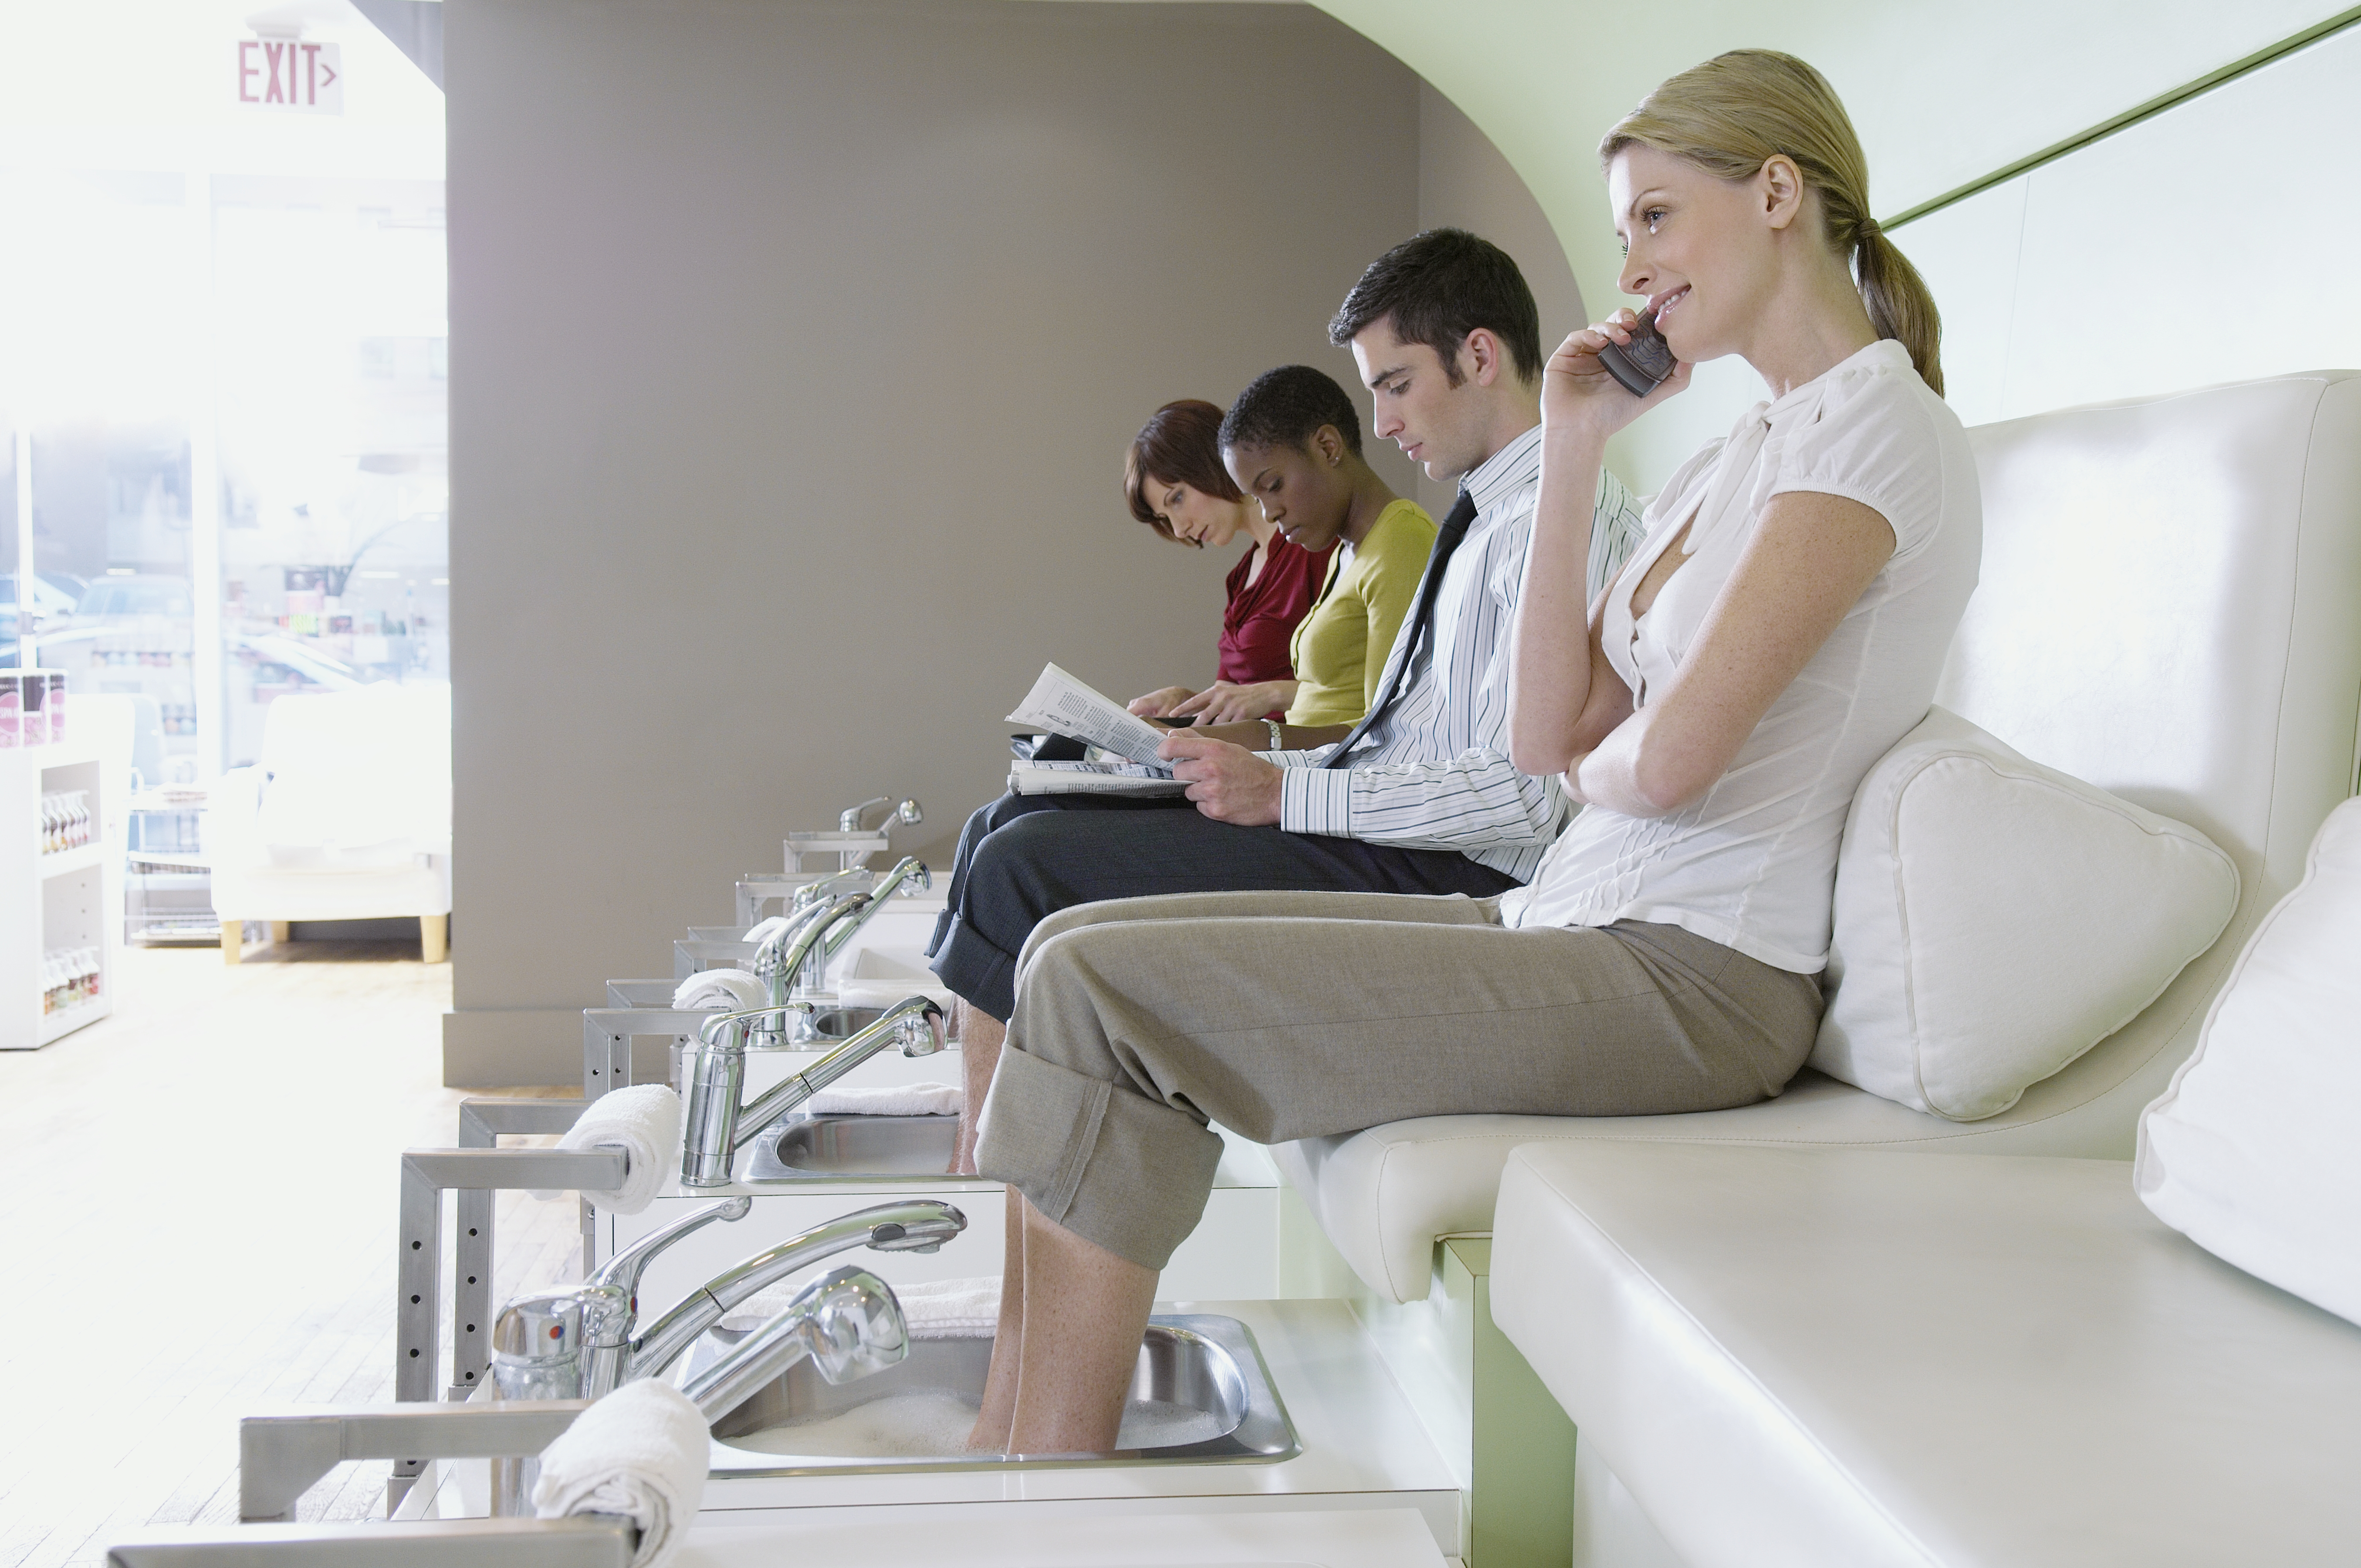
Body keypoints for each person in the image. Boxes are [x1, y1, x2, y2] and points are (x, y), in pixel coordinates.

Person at [962, 51, 1982, 1457]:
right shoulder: (1741, 446)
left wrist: (1597, 768)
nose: (1629, 265)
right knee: (1067, 956)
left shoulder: (1872, 434)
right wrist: (1572, 440)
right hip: (1577, 919)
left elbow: (1662, 764)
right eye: (1623, 227)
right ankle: (1008, 1450)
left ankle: (1033, 1493)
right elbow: (1544, 732)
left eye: (1654, 219)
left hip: (1699, 974)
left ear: (1777, 194)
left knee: (1094, 990)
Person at [928, 226, 1649, 1171]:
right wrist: (1263, 766)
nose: (1382, 425)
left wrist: (1283, 792)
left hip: (1457, 873)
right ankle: (1000, 1152)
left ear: (1478, 355)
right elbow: (1401, 744)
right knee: (1008, 819)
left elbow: (1526, 801)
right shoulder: (1482, 523)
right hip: (1391, 832)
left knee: (1024, 864)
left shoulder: (1564, 516)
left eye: (1394, 385)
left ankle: (989, 1175)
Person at [1214, 365, 1435, 727]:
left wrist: (1254, 744)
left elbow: (1388, 733)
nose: (1270, 514)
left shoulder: (1401, 539)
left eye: (1273, 486)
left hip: (1335, 778)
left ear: (1327, 447)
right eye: (1256, 499)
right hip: (1306, 771)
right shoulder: (1344, 551)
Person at [1122, 399, 1333, 727]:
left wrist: (1271, 695)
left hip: (1303, 760)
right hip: (1250, 756)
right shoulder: (1241, 578)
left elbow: (1361, 687)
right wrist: (1184, 699)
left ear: (1212, 462)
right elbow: (1236, 695)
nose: (1180, 529)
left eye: (1177, 498)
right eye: (1166, 517)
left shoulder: (1313, 549)